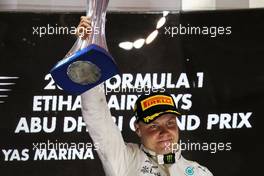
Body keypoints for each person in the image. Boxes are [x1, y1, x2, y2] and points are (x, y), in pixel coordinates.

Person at [78, 16, 213, 176]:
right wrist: (87, 52)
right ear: (138, 129)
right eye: (153, 126)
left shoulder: (199, 172)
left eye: (170, 123)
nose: (165, 132)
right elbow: (96, 115)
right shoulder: (125, 160)